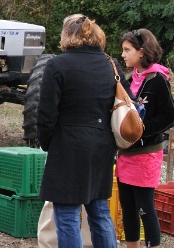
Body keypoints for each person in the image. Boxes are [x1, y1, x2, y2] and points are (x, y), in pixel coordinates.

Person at [37, 14, 119, 248]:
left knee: (67, 214)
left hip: (68, 144)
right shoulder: (111, 64)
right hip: (102, 144)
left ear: (67, 35)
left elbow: (46, 114)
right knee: (99, 210)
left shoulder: (58, 64)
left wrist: (47, 142)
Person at [116, 28, 174, 248]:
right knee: (128, 207)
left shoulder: (158, 80)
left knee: (144, 208)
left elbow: (170, 116)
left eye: (127, 50)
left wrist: (143, 130)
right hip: (126, 155)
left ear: (141, 52)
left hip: (146, 155)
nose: (123, 54)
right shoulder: (131, 80)